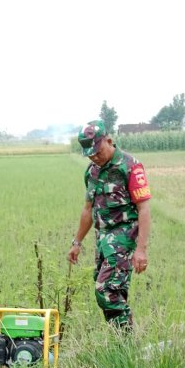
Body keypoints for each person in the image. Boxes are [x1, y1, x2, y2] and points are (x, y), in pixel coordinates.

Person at [67, 119, 151, 331]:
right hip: (102, 237)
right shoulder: (92, 171)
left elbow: (144, 209)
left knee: (105, 289)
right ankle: (121, 342)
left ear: (109, 140)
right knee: (112, 288)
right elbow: (88, 209)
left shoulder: (130, 166)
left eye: (98, 151)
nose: (95, 157)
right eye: (90, 154)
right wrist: (77, 242)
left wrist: (141, 249)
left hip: (124, 234)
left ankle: (126, 338)